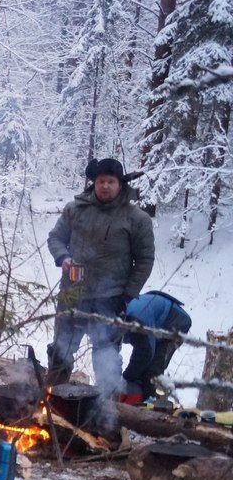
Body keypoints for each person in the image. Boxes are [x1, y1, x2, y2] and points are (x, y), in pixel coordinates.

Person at [46, 157, 155, 398]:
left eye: (111, 181)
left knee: (106, 360)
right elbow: (55, 237)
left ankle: (107, 413)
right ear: (94, 183)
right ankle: (50, 406)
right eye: (101, 181)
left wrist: (127, 296)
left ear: (120, 184)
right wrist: (63, 257)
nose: (105, 186)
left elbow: (145, 260)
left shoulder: (136, 218)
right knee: (60, 354)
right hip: (72, 295)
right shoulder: (75, 210)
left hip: (111, 298)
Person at [121, 290, 191, 404]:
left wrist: (127, 377)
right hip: (156, 324)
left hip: (176, 322)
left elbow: (146, 352)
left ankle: (153, 404)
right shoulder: (116, 320)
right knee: (140, 372)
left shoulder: (137, 320)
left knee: (154, 369)